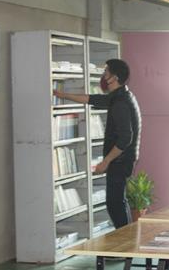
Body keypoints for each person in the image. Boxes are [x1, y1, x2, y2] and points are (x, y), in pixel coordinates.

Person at [53, 59, 140, 229]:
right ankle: (125, 244)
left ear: (113, 78)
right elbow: (92, 99)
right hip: (122, 160)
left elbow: (125, 138)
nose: (103, 75)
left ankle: (124, 247)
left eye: (106, 72)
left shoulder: (121, 102)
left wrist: (105, 161)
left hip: (120, 161)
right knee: (117, 203)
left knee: (115, 204)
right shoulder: (120, 96)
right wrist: (63, 95)